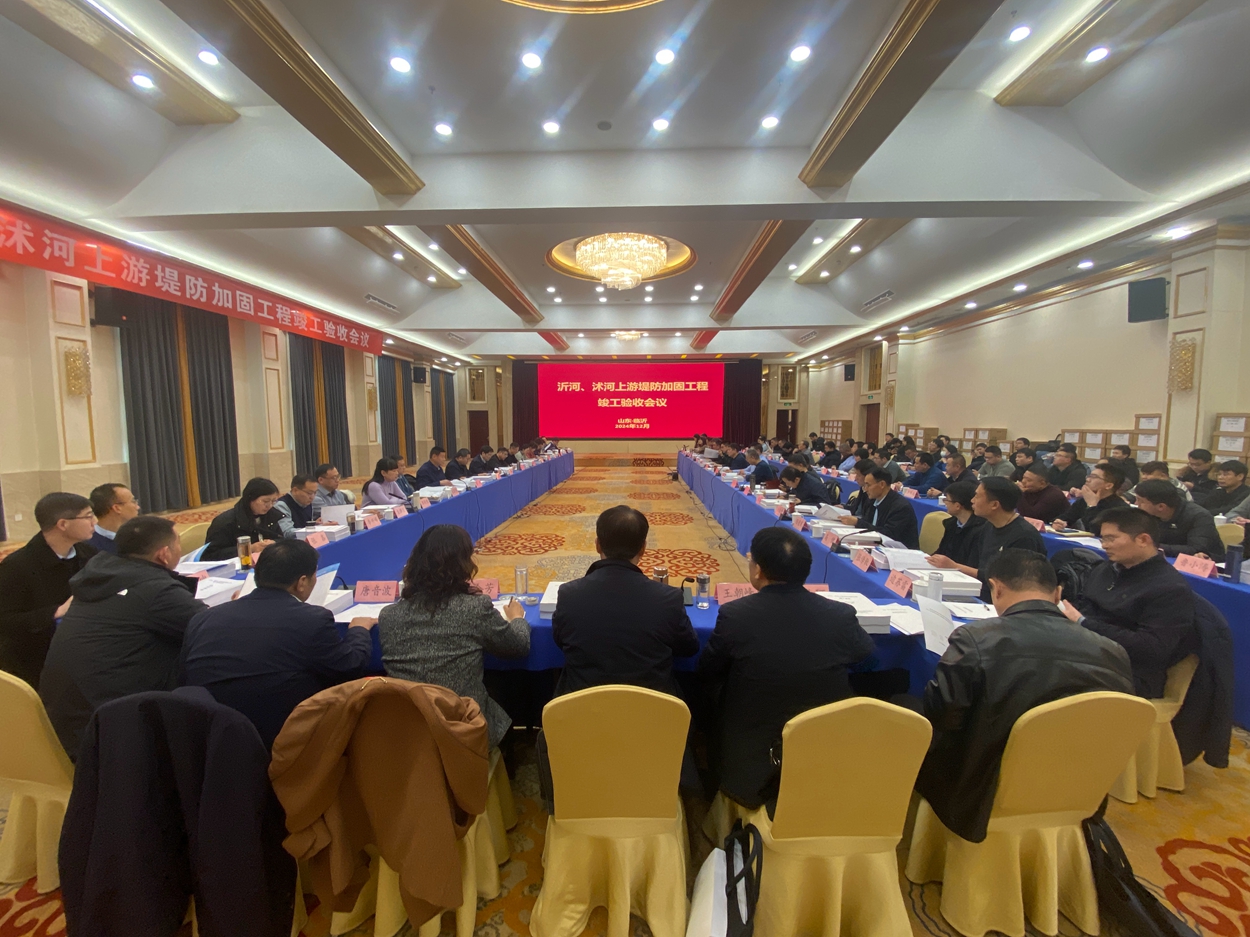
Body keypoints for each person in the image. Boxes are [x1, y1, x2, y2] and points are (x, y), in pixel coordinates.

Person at [916, 549, 1133, 843]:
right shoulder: (1113, 651)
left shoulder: (975, 640)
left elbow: (942, 717)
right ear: (1058, 594)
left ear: (996, 589)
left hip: (983, 790)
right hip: (1078, 787)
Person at [698, 527, 873, 809]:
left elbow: (708, 669)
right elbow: (865, 656)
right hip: (823, 744)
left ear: (758, 570)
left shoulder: (736, 615)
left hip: (753, 756)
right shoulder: (839, 615)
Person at [180, 539, 375, 748]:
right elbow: (350, 666)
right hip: (282, 739)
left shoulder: (203, 619)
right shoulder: (312, 620)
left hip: (206, 739)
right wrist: (359, 630)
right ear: (301, 582)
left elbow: (183, 677)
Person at [40, 516, 204, 758]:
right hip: (111, 736)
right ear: (164, 554)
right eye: (177, 543)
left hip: (64, 721)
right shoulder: (156, 590)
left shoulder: (99, 575)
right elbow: (211, 629)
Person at [379, 525, 530, 749]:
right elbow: (518, 646)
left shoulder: (389, 616)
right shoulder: (474, 608)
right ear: (463, 564)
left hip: (411, 730)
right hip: (465, 725)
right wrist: (517, 619)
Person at [551, 506, 698, 697]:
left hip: (582, 711)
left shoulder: (569, 595)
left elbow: (560, 641)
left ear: (597, 545)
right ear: (643, 548)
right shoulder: (669, 599)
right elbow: (689, 648)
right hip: (652, 712)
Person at [1060, 509, 1198, 699]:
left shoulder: (1170, 588)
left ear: (1143, 539)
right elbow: (1084, 604)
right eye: (1103, 539)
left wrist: (1084, 623)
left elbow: (1152, 649)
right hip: (1088, 654)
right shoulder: (1106, 569)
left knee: (1045, 676)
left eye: (1111, 539)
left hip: (1130, 673)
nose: (1104, 545)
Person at [0, 493, 98, 688]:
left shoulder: (89, 554)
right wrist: (56, 612)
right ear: (63, 524)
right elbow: (6, 621)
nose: (94, 522)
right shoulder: (17, 566)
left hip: (86, 648)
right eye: (88, 516)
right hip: (35, 661)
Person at [927, 477, 1046, 600]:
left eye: (977, 496)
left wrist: (955, 566)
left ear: (994, 504)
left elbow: (1012, 581)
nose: (972, 501)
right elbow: (979, 566)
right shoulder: (988, 526)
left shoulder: (1024, 536)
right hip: (979, 590)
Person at [1132, 479, 1225, 561]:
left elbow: (1196, 549)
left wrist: (1153, 547)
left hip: (1204, 564)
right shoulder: (1149, 514)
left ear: (1161, 506)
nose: (1136, 504)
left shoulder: (1199, 516)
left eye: (1141, 501)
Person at [202, 477, 285, 561]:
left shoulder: (271, 516)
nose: (270, 505)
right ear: (250, 499)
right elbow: (210, 555)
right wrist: (249, 549)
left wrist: (274, 543)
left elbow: (281, 539)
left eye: (274, 501)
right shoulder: (226, 521)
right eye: (265, 501)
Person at [1052, 463, 1128, 535]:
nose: (1088, 480)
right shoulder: (1084, 500)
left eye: (1094, 477)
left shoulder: (1120, 508)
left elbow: (1097, 531)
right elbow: (1066, 517)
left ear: (1109, 485)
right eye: (1089, 476)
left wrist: (1091, 506)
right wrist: (1058, 523)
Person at [853, 468, 920, 549]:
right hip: (875, 546)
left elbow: (888, 534)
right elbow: (867, 522)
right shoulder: (872, 500)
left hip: (899, 551)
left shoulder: (901, 507)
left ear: (882, 484)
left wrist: (858, 522)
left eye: (868, 485)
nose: (865, 489)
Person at [933, 480, 987, 567]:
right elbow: (942, 551)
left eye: (947, 500)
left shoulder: (981, 530)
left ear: (957, 506)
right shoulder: (951, 524)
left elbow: (973, 564)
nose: (945, 503)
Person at [87, 483, 140, 554]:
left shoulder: (139, 538)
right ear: (117, 508)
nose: (138, 507)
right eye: (133, 501)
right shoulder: (85, 545)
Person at [1125, 460, 1191, 504]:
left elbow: (1173, 507)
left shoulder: (1177, 487)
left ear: (1163, 476)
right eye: (1143, 474)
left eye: (1148, 474)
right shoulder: (1144, 484)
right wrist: (1124, 499)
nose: (1144, 477)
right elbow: (1129, 495)